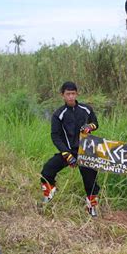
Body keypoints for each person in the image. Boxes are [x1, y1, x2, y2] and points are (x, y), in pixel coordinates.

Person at [40, 81, 100, 217]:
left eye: (73, 94)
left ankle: (91, 207)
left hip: (85, 151)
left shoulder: (86, 109)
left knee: (91, 179)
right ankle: (49, 194)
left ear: (77, 93)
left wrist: (90, 127)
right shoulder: (58, 114)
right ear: (62, 95)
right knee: (47, 171)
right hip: (68, 151)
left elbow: (96, 123)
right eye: (68, 94)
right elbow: (55, 136)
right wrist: (67, 154)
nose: (71, 97)